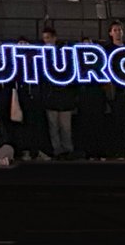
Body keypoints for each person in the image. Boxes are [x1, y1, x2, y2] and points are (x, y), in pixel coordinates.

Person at [37, 28, 76, 159]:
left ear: (54, 38)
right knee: (54, 127)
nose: (46, 41)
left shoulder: (63, 54)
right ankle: (58, 150)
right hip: (52, 97)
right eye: (44, 38)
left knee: (65, 127)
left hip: (63, 97)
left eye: (48, 38)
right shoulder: (43, 55)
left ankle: (67, 150)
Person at [104, 20, 125, 158]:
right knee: (117, 122)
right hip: (116, 91)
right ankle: (119, 151)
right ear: (110, 33)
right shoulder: (107, 50)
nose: (118, 32)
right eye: (115, 30)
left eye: (120, 30)